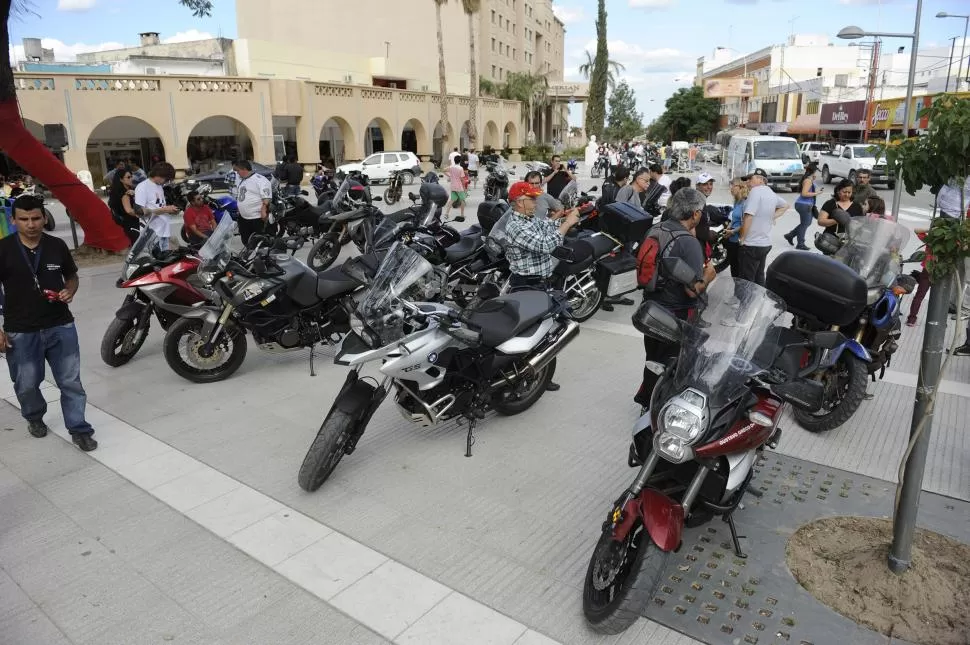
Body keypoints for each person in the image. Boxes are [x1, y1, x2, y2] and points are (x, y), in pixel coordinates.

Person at [0, 194, 97, 451]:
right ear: (14, 220)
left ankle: (79, 428)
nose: (30, 224)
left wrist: (70, 290)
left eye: (35, 218)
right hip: (20, 329)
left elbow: (72, 276)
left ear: (44, 218)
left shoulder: (56, 246)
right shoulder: (4, 249)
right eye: (24, 219)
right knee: (27, 384)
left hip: (60, 325)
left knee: (70, 381)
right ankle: (34, 417)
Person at [633, 188, 717, 408]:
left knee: (653, 359)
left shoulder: (656, 229)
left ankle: (646, 402)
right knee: (674, 363)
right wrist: (708, 276)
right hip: (677, 313)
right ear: (696, 214)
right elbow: (692, 290)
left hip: (651, 308)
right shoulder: (688, 243)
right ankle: (662, 408)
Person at [504, 180, 579, 290]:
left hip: (539, 280)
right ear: (520, 202)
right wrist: (567, 224)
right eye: (532, 199)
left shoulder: (529, 217)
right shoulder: (516, 226)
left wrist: (565, 219)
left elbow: (547, 225)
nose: (536, 202)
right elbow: (545, 245)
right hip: (528, 285)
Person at [740, 168, 788, 286]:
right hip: (765, 244)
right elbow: (786, 205)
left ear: (761, 180)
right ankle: (760, 301)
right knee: (759, 276)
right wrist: (772, 217)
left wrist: (742, 239)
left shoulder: (755, 191)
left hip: (752, 244)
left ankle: (747, 304)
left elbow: (748, 216)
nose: (748, 181)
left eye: (751, 178)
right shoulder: (771, 193)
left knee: (747, 280)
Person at [133, 162, 178, 250]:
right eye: (166, 179)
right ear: (159, 175)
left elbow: (157, 206)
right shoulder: (143, 187)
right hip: (152, 234)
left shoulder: (159, 186)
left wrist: (170, 210)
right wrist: (165, 210)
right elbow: (139, 213)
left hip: (163, 231)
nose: (166, 182)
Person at [233, 160, 272, 246]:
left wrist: (264, 209)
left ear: (244, 169)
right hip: (244, 217)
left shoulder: (260, 180)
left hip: (256, 218)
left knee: (258, 241)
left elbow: (266, 196)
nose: (237, 173)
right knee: (246, 240)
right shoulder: (242, 180)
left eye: (238, 170)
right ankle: (249, 255)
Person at [785, 163, 823, 250]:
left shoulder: (809, 180)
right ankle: (800, 243)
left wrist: (816, 188)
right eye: (816, 171)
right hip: (804, 205)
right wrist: (817, 193)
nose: (817, 173)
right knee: (805, 224)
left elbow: (810, 190)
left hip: (805, 204)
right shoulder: (808, 181)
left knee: (806, 223)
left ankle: (790, 235)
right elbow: (804, 193)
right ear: (814, 171)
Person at [108, 168, 143, 246]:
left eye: (131, 176)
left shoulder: (118, 192)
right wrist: (142, 214)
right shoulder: (125, 194)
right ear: (121, 179)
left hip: (123, 224)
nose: (131, 179)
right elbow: (129, 211)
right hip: (131, 225)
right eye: (128, 177)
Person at [723, 177, 748, 278]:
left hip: (739, 242)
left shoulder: (745, 203)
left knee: (738, 270)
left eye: (733, 186)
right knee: (733, 269)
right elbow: (734, 219)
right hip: (732, 240)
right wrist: (728, 228)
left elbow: (745, 223)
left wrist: (732, 231)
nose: (731, 188)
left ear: (740, 187)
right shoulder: (736, 201)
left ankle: (739, 292)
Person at [443, 157, 468, 221]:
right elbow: (462, 179)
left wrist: (449, 176)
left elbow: (443, 170)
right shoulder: (460, 168)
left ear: (454, 161)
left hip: (453, 186)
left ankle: (446, 214)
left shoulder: (451, 167)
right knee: (462, 201)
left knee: (452, 200)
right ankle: (462, 215)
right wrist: (464, 187)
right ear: (459, 161)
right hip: (459, 186)